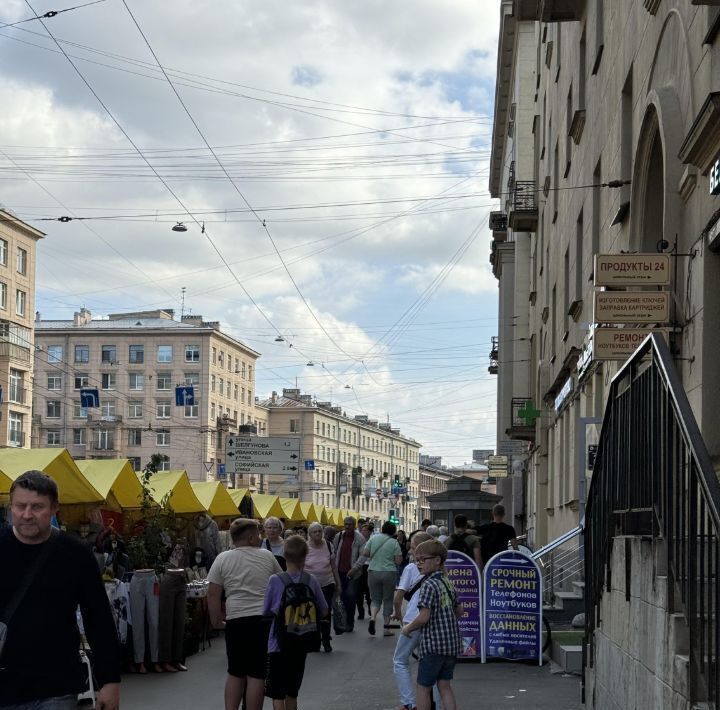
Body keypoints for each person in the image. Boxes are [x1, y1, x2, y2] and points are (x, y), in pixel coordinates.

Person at [0, 470, 121, 710]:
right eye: (20, 506)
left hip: (56, 687)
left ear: (55, 508)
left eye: (37, 507)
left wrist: (109, 681)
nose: (26, 514)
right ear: (10, 507)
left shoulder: (75, 554)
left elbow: (98, 618)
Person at [208, 517, 282, 710]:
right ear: (250, 537)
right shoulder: (267, 556)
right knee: (256, 673)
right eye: (258, 533)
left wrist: (216, 620)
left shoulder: (222, 559)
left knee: (235, 672)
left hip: (235, 620)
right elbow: (280, 586)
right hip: (262, 621)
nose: (260, 537)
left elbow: (213, 593)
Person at [262, 535, 328, 710]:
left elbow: (266, 611)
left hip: (277, 643)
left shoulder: (275, 580)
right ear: (306, 556)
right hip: (301, 642)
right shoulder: (311, 580)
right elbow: (324, 609)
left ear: (284, 555)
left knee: (277, 693)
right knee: (292, 691)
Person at [401, 540, 462, 710]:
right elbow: (460, 611)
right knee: (444, 685)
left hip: (433, 646)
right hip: (451, 645)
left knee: (423, 687)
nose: (419, 564)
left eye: (423, 560)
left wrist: (408, 628)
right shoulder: (448, 582)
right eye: (416, 560)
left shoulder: (428, 585)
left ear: (437, 560)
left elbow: (423, 617)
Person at [392, 531, 434, 710]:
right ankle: (436, 704)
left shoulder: (410, 569)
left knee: (400, 660)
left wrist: (398, 615)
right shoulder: (438, 569)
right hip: (433, 622)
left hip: (412, 620)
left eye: (413, 548)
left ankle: (408, 702)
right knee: (431, 665)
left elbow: (398, 598)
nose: (410, 552)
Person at [304, 521, 340, 652]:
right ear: (310, 534)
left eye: (319, 531)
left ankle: (326, 639)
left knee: (325, 612)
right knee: (311, 613)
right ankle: (314, 641)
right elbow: (300, 567)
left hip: (327, 583)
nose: (318, 534)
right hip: (309, 585)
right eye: (314, 532)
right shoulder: (305, 547)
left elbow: (334, 567)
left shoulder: (329, 545)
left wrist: (338, 584)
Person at [362, 520, 402, 637]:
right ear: (393, 531)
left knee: (375, 599)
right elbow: (398, 561)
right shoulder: (394, 542)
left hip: (373, 571)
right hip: (389, 573)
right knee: (388, 599)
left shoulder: (373, 539)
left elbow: (365, 553)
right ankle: (386, 629)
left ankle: (373, 617)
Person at [332, 516, 366, 632]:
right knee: (340, 598)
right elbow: (334, 552)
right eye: (346, 524)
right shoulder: (339, 536)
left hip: (353, 573)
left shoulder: (359, 538)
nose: (348, 526)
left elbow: (363, 556)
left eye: (350, 524)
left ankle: (349, 623)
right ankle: (341, 623)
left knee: (350, 597)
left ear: (354, 525)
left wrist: (355, 568)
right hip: (339, 572)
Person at [355, 523, 372, 620]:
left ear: (369, 532)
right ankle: (361, 612)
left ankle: (370, 608)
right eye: (362, 530)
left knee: (368, 590)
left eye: (365, 530)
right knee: (359, 591)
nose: (362, 532)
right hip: (359, 567)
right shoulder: (358, 541)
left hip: (369, 567)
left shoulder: (372, 540)